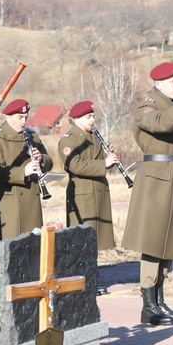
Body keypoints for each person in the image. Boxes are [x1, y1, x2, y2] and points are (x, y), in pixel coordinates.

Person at [122, 61, 173, 326]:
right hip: (156, 181)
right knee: (153, 243)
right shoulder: (147, 107)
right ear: (158, 84)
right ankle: (148, 305)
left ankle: (159, 299)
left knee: (168, 242)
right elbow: (162, 125)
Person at [0, 98, 53, 243]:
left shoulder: (32, 135)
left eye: (26, 117)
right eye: (20, 117)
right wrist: (23, 172)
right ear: (8, 117)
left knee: (33, 245)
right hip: (10, 200)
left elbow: (49, 161)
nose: (24, 122)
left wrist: (41, 159)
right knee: (10, 245)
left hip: (31, 198)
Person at [59, 100, 118, 253]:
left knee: (98, 241)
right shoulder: (69, 139)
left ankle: (95, 274)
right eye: (89, 117)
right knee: (82, 242)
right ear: (77, 119)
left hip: (99, 192)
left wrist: (107, 158)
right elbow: (75, 165)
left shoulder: (94, 136)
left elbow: (97, 162)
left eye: (93, 116)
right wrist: (103, 163)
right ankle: (83, 275)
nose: (92, 120)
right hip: (83, 195)